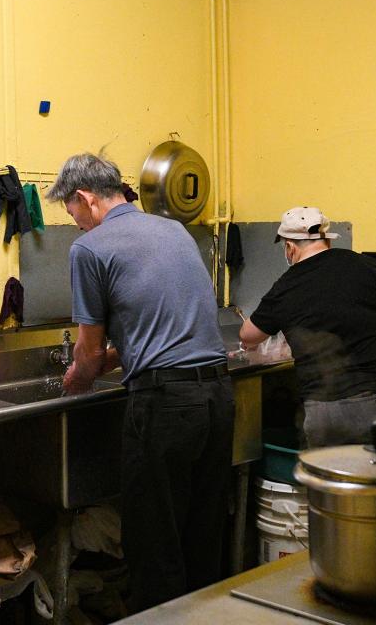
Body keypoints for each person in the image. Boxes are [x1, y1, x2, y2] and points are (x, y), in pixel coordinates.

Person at [46, 152, 234, 613]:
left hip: (165, 405)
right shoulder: (173, 230)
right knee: (202, 531)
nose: (76, 226)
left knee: (153, 539)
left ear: (86, 199)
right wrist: (107, 360)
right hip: (217, 396)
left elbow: (89, 353)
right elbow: (159, 330)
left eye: (72, 214)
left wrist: (78, 378)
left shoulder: (90, 249)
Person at [238, 206, 376, 448]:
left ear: (289, 247)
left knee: (332, 485)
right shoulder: (368, 266)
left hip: (325, 411)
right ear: (327, 240)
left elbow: (248, 336)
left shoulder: (285, 287)